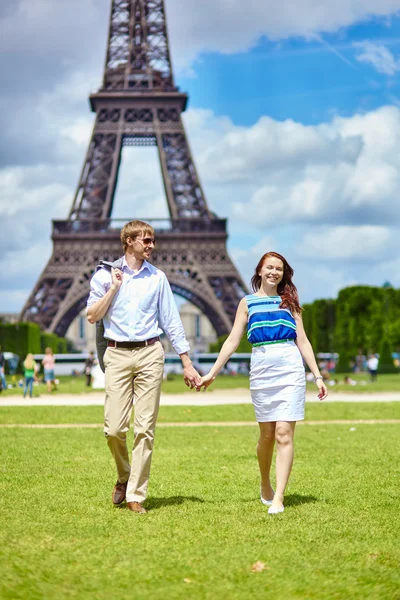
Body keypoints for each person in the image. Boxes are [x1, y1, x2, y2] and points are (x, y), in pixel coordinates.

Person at [197, 252, 328, 515]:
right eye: (269, 267)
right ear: (259, 270)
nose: (274, 272)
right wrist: (212, 372)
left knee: (283, 434)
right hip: (262, 367)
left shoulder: (290, 301)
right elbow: (233, 340)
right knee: (267, 435)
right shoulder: (246, 303)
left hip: (289, 366)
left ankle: (279, 497)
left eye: (279, 269)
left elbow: (302, 340)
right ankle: (265, 483)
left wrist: (317, 375)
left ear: (283, 273)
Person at [86, 219, 200, 515]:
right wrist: (113, 288)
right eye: (146, 240)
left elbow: (171, 321)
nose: (152, 245)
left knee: (144, 429)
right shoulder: (103, 275)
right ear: (129, 242)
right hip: (118, 354)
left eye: (152, 240)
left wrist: (186, 362)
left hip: (151, 352)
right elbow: (91, 315)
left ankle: (136, 493)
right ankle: (125, 475)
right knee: (113, 429)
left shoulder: (158, 277)